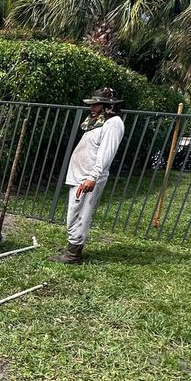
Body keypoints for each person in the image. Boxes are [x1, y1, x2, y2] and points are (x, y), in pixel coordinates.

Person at [51, 87, 126, 264]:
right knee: (74, 212)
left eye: (96, 104)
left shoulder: (113, 124)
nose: (92, 108)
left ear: (108, 105)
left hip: (88, 177)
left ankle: (73, 254)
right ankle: (73, 245)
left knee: (79, 214)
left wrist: (93, 176)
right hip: (79, 175)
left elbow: (106, 153)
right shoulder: (98, 121)